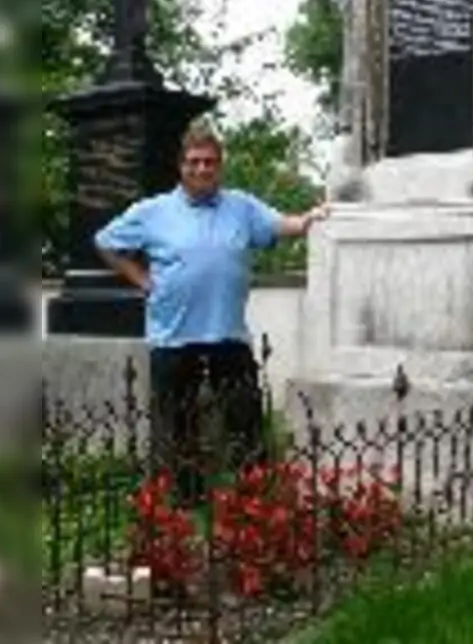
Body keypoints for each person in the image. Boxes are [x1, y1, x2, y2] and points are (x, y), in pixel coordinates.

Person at [95, 114, 327, 503]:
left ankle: (252, 499)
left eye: (209, 161)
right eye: (194, 162)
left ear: (220, 165)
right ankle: (186, 504)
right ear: (181, 166)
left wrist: (308, 219)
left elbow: (281, 224)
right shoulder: (151, 211)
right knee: (179, 426)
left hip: (227, 335)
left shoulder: (242, 207)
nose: (201, 168)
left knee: (245, 421)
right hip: (173, 337)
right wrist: (140, 279)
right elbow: (105, 242)